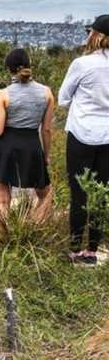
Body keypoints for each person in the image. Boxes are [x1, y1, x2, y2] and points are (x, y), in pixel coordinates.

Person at [0, 48, 54, 225]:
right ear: (29, 65)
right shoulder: (46, 93)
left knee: (2, 199)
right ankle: (33, 228)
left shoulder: (3, 94)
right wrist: (46, 155)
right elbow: (46, 130)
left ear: (9, 69)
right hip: (32, 145)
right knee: (46, 194)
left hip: (5, 146)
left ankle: (1, 239)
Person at [58, 14, 109, 265]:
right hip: (108, 135)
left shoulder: (82, 63)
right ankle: (92, 250)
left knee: (79, 194)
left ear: (96, 34)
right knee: (101, 192)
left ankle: (76, 247)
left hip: (82, 133)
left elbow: (63, 98)